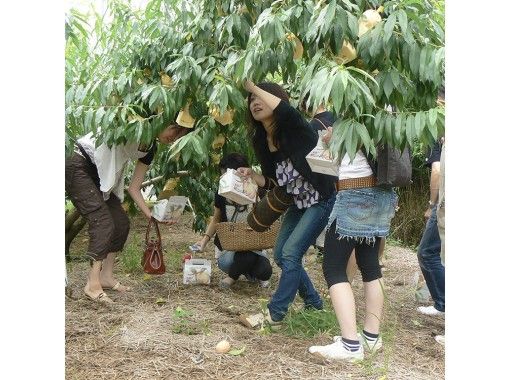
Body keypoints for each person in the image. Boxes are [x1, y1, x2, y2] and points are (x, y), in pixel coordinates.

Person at [237, 80, 336, 328]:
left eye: (261, 97)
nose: (255, 102)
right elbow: (274, 182)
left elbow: (285, 110)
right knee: (281, 254)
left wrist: (251, 86)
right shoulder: (261, 140)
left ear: (276, 100)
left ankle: (276, 313)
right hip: (296, 202)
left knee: (291, 253)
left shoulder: (295, 126)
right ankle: (313, 302)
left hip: (320, 198)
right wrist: (254, 176)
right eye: (251, 100)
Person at [65, 118, 192, 304]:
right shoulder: (133, 123)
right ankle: (92, 284)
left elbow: (134, 187)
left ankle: (106, 277)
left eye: (181, 135)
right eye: (176, 129)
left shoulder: (150, 150)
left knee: (121, 222)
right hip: (79, 162)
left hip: (99, 174)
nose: (175, 137)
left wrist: (152, 216)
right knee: (103, 221)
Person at [308, 131, 398, 361]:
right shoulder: (386, 107)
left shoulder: (355, 102)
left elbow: (354, 141)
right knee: (370, 265)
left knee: (333, 268)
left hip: (355, 192)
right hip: (379, 192)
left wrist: (334, 137)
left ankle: (350, 345)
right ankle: (371, 337)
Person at [193, 153, 273, 288]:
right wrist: (204, 240)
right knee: (245, 256)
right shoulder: (222, 194)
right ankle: (233, 277)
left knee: (264, 272)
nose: (223, 178)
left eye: (226, 175)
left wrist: (256, 199)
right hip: (229, 253)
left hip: (254, 249)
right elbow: (216, 219)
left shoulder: (257, 192)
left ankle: (244, 271)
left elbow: (268, 220)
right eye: (222, 175)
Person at [415, 139, 445, 317]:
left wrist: (431, 204)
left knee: (426, 252)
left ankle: (443, 302)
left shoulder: (437, 133)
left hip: (443, 203)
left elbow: (437, 170)